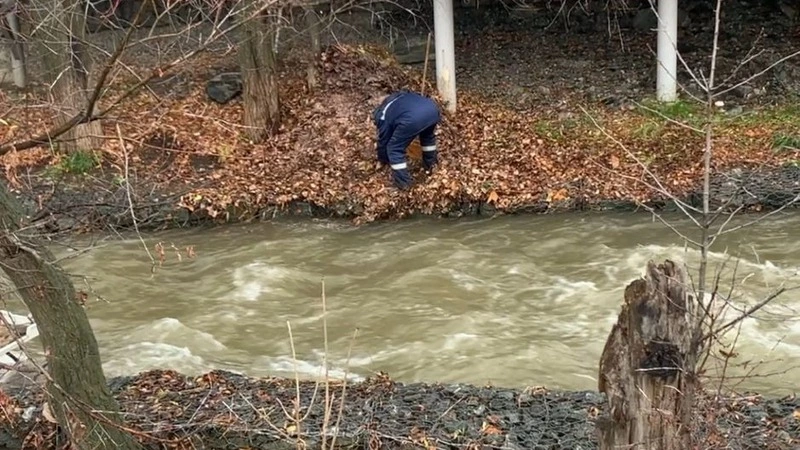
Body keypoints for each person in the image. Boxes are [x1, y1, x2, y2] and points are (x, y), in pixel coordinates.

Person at [372, 90, 441, 190]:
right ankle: (431, 166)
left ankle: (404, 184)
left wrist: (383, 159)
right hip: (432, 110)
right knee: (427, 137)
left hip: (413, 118)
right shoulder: (400, 98)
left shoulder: (383, 115)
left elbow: (384, 141)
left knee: (394, 148)